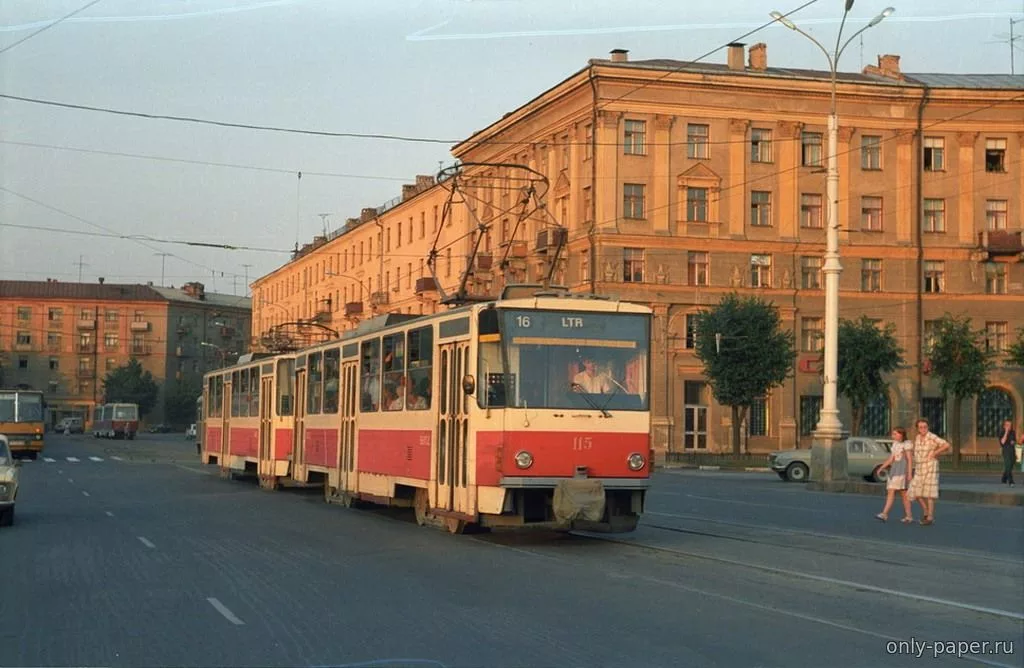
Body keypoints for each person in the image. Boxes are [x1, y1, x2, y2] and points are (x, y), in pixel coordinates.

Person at [907, 418, 952, 526]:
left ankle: (930, 516)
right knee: (915, 491)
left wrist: (935, 453)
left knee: (929, 493)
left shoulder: (932, 436)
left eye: (925, 427)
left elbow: (946, 444)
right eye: (920, 427)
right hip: (919, 467)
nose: (923, 429)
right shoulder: (917, 438)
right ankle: (926, 510)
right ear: (917, 428)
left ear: (928, 427)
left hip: (930, 466)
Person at [875, 427, 914, 523]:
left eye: (895, 434)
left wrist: (909, 473)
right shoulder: (895, 444)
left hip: (902, 469)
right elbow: (891, 458)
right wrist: (882, 467)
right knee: (893, 491)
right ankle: (906, 516)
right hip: (895, 469)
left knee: (902, 493)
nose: (893, 436)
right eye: (893, 434)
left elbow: (909, 460)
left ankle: (886, 514)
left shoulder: (906, 444)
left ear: (901, 434)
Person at [999, 419, 1017, 487]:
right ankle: (1011, 481)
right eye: (1007, 425)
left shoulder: (1013, 432)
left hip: (1012, 451)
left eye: (1010, 425)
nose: (1009, 426)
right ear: (1004, 426)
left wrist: (1013, 442)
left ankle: (1004, 478)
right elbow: (1002, 442)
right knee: (1008, 466)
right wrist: (1006, 432)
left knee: (1010, 465)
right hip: (1006, 451)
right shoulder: (1002, 432)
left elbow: (1014, 441)